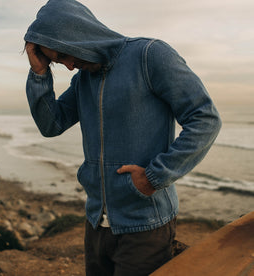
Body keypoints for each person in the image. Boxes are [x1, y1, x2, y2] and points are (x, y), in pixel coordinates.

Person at [24, 0, 221, 275]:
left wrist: (154, 177)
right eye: (59, 62)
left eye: (65, 54)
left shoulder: (150, 55)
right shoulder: (83, 79)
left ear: (79, 33)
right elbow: (51, 124)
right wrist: (39, 74)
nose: (69, 66)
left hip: (146, 223)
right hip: (96, 223)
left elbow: (205, 118)